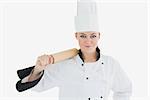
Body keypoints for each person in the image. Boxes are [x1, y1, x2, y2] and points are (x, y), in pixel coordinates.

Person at [16, 0, 132, 100]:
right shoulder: (64, 64)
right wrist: (38, 69)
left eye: (93, 36)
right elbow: (38, 86)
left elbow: (124, 89)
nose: (88, 41)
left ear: (99, 36)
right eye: (83, 36)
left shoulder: (110, 64)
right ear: (76, 36)